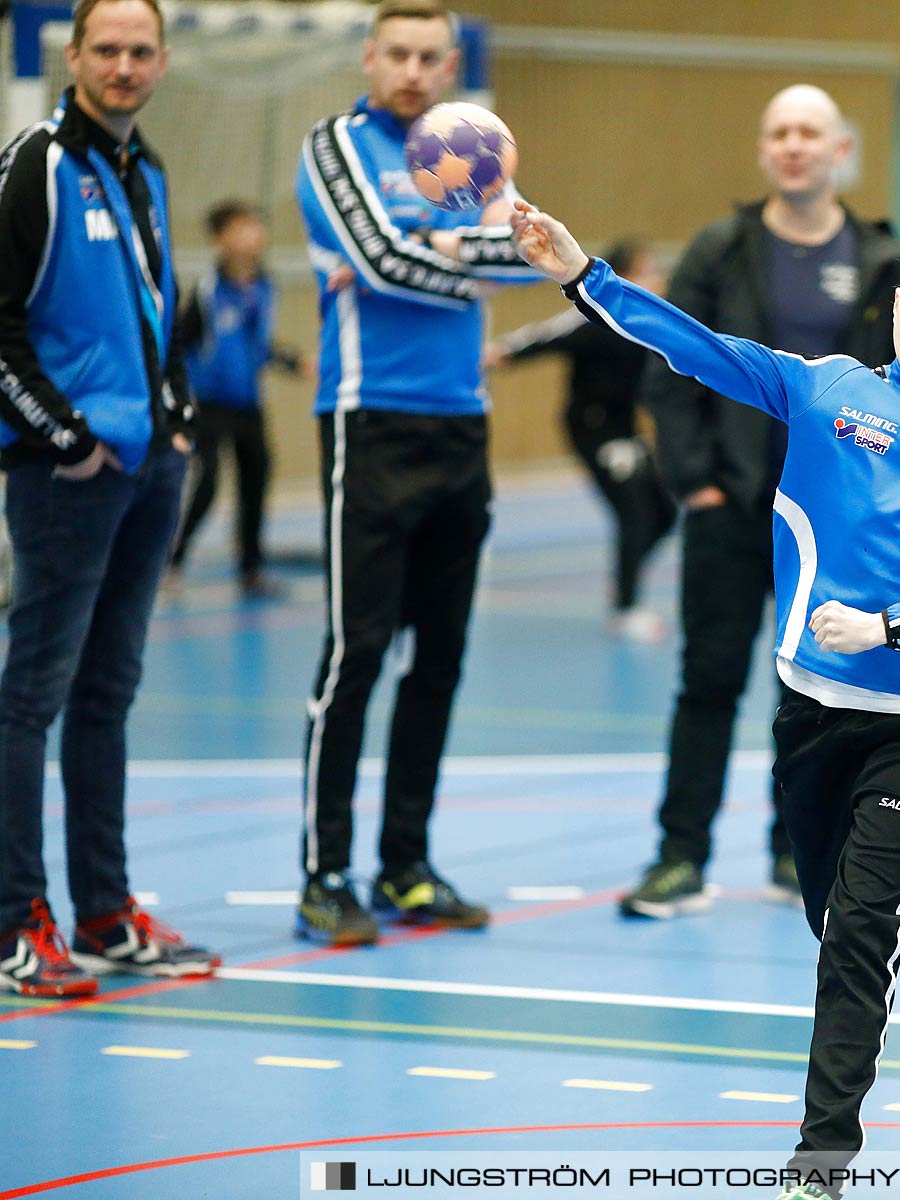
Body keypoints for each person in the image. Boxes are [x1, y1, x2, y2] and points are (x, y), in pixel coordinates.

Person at [515, 201, 900, 1200]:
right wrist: (582, 272)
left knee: (853, 940)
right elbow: (693, 348)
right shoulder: (824, 391)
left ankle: (820, 1165)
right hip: (809, 717)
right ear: (893, 302)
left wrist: (897, 632)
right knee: (837, 914)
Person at [620, 84, 900, 919]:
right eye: (779, 131)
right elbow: (669, 366)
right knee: (707, 680)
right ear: (763, 150)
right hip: (732, 509)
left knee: (818, 690)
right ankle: (680, 856)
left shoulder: (885, 258)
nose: (793, 145)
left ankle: (797, 853)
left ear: (839, 150)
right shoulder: (721, 248)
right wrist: (696, 483)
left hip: (833, 523)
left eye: (809, 133)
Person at [292, 0, 538, 945]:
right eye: (396, 53)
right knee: (357, 655)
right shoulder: (335, 145)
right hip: (369, 423)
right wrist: (451, 259)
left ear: (450, 64)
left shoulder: (473, 144)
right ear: (370, 57)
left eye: (430, 56)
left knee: (438, 658)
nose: (411, 70)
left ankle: (406, 866)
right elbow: (377, 259)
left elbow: (532, 254)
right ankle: (324, 873)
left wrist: (450, 253)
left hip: (458, 427)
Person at [0, 0, 220, 995]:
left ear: (162, 61)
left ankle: (103, 911)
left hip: (148, 470)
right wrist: (68, 437)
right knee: (31, 700)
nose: (125, 66)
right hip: (64, 479)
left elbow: (156, 304)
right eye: (108, 50)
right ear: (74, 55)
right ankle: (14, 922)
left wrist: (171, 417)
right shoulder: (36, 164)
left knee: (107, 695)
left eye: (141, 51)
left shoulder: (149, 170)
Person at [484, 240, 677, 641]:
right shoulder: (591, 321)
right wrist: (499, 353)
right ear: (622, 276)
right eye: (645, 270)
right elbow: (545, 336)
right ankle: (625, 608)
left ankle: (625, 575)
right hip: (593, 430)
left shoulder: (650, 324)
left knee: (664, 512)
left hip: (627, 432)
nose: (655, 279)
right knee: (635, 513)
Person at [166, 200, 306, 601]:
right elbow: (183, 343)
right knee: (206, 482)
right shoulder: (208, 291)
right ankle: (173, 561)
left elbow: (259, 345)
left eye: (255, 227)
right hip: (209, 403)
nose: (251, 235)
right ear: (220, 239)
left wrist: (295, 362)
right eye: (241, 228)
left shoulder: (265, 286)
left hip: (249, 403)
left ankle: (251, 569)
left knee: (256, 479)